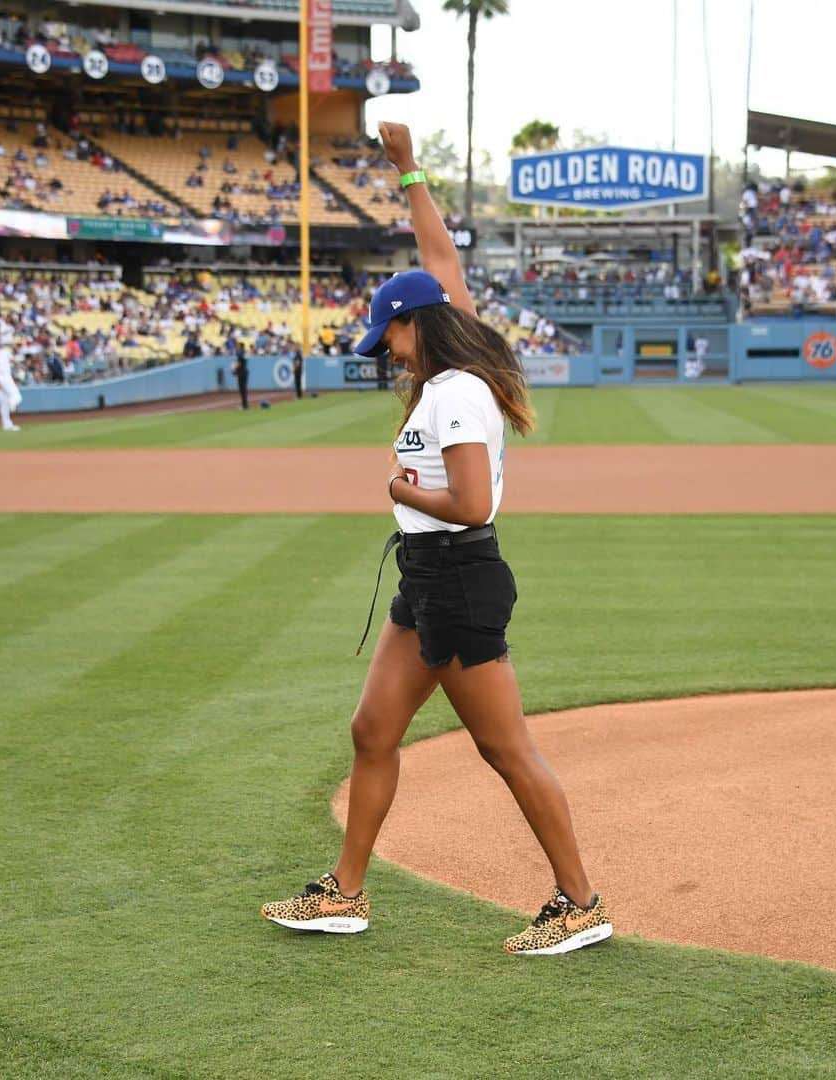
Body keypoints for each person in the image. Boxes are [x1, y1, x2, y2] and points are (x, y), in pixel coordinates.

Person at [260, 121, 611, 956]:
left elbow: (474, 503)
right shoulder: (453, 361)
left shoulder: (455, 392)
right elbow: (442, 263)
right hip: (426, 581)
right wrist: (408, 169)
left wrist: (398, 487)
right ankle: (344, 893)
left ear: (416, 327)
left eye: (389, 334)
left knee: (505, 747)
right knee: (372, 732)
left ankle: (580, 901)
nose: (384, 349)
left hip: (457, 574)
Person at [0, 336, 22, 431]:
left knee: (3, 404)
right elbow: (14, 361)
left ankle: (7, 424)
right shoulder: (4, 352)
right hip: (5, 378)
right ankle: (12, 405)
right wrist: (20, 365)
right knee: (16, 397)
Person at [233, 340, 249, 409]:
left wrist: (234, 370)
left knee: (242, 389)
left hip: (241, 372)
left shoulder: (240, 353)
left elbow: (239, 363)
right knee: (244, 389)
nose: (237, 347)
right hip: (245, 372)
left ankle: (244, 405)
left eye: (238, 346)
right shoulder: (244, 353)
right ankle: (245, 404)